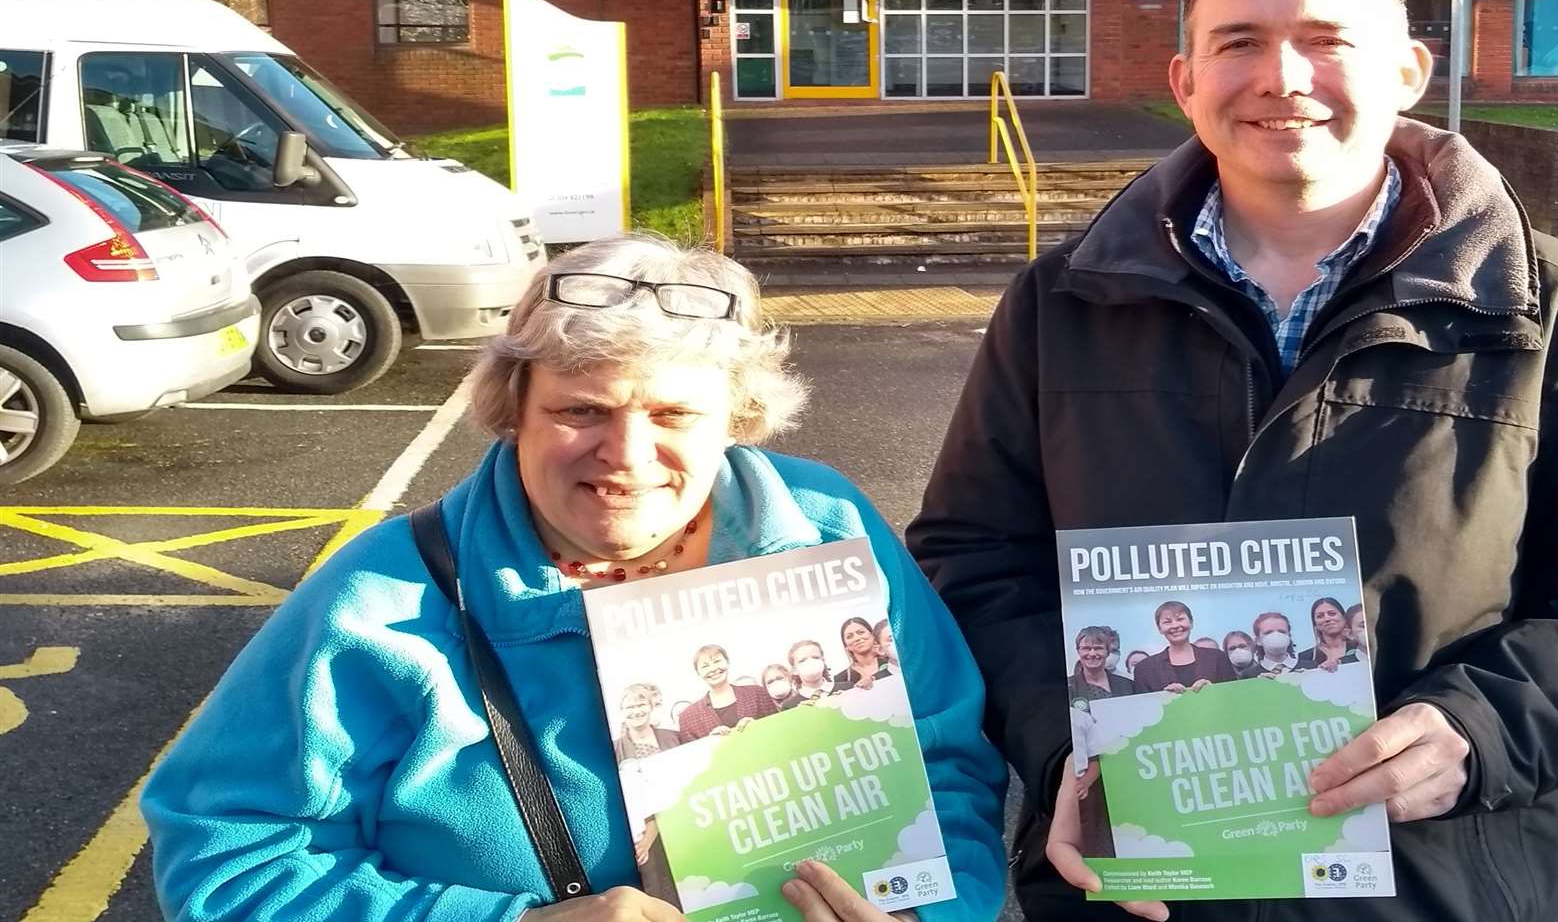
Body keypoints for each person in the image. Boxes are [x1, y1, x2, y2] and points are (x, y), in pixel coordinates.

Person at [907, 0, 1558, 922]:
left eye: (1325, 40)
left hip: (1428, 883)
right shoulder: (1061, 303)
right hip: (1127, 886)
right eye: (1238, 41)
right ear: (1186, 81)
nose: (1281, 78)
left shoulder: (1553, 310)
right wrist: (1066, 745)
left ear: (1408, 71)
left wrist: (1479, 732)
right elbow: (973, 561)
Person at [142, 233, 1007, 922]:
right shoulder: (383, 602)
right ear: (510, 409)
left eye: (672, 413)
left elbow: (947, 763)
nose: (626, 457)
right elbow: (228, 861)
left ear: (738, 419)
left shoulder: (827, 528)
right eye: (579, 411)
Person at [1126, 601, 1238, 694]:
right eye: (1167, 622)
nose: (1175, 626)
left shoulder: (1217, 658)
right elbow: (1143, 711)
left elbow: (1234, 696)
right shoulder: (1145, 669)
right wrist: (1163, 697)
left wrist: (1214, 691)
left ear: (1191, 623)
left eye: (1180, 619)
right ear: (1159, 629)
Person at [676, 644, 781, 739]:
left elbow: (779, 731)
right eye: (705, 666)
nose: (713, 668)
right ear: (698, 672)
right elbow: (692, 756)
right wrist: (709, 743)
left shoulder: (757, 694)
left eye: (717, 661)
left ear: (727, 663)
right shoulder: (688, 718)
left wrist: (759, 727)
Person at [1067, 626, 1136, 703]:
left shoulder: (1127, 686)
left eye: (1098, 648)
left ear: (1108, 652)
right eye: (1086, 648)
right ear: (1078, 651)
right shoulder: (1069, 687)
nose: (1092, 653)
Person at [613, 683, 680, 763]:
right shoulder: (614, 749)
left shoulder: (674, 737)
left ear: (651, 707)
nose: (637, 712)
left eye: (641, 705)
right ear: (622, 711)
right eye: (630, 707)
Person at [1293, 596, 1360, 673]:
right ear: (1315, 624)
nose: (1327, 619)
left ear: (1343, 617)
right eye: (1320, 616)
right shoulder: (1306, 656)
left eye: (1332, 614)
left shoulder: (1360, 647)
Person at [831, 616, 894, 692]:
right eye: (849, 636)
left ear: (872, 635)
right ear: (846, 646)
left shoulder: (892, 661)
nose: (857, 638)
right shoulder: (841, 678)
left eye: (861, 632)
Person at [1250, 611, 1300, 675]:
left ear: (1289, 636)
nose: (1276, 635)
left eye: (1282, 631)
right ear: (1258, 640)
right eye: (1268, 633)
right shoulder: (1250, 675)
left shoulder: (1310, 668)